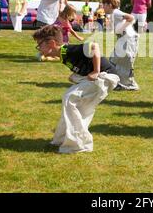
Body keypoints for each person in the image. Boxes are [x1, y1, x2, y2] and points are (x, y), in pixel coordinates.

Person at [33, 25, 119, 154]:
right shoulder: (62, 55)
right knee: (76, 106)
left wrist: (96, 71)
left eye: (39, 45)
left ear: (51, 43)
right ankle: (62, 139)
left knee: (70, 98)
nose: (39, 48)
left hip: (106, 76)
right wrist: (77, 76)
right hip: (97, 78)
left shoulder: (68, 50)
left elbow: (93, 46)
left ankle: (78, 144)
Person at [102, 0, 139, 90]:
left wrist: (121, 28)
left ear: (110, 5)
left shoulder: (116, 12)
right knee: (113, 61)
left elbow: (131, 18)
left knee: (124, 63)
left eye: (104, 5)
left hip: (128, 39)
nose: (103, 7)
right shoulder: (114, 13)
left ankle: (130, 85)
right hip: (124, 39)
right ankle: (117, 82)